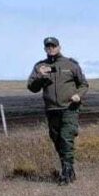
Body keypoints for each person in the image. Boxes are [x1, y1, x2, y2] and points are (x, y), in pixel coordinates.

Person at [27, 36, 88, 185]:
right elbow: (32, 87)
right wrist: (40, 77)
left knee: (66, 138)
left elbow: (84, 84)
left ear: (59, 47)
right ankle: (69, 169)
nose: (51, 49)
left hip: (69, 108)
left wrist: (78, 95)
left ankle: (66, 173)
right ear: (44, 49)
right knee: (56, 139)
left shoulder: (71, 65)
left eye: (53, 46)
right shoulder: (40, 66)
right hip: (51, 109)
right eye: (48, 47)